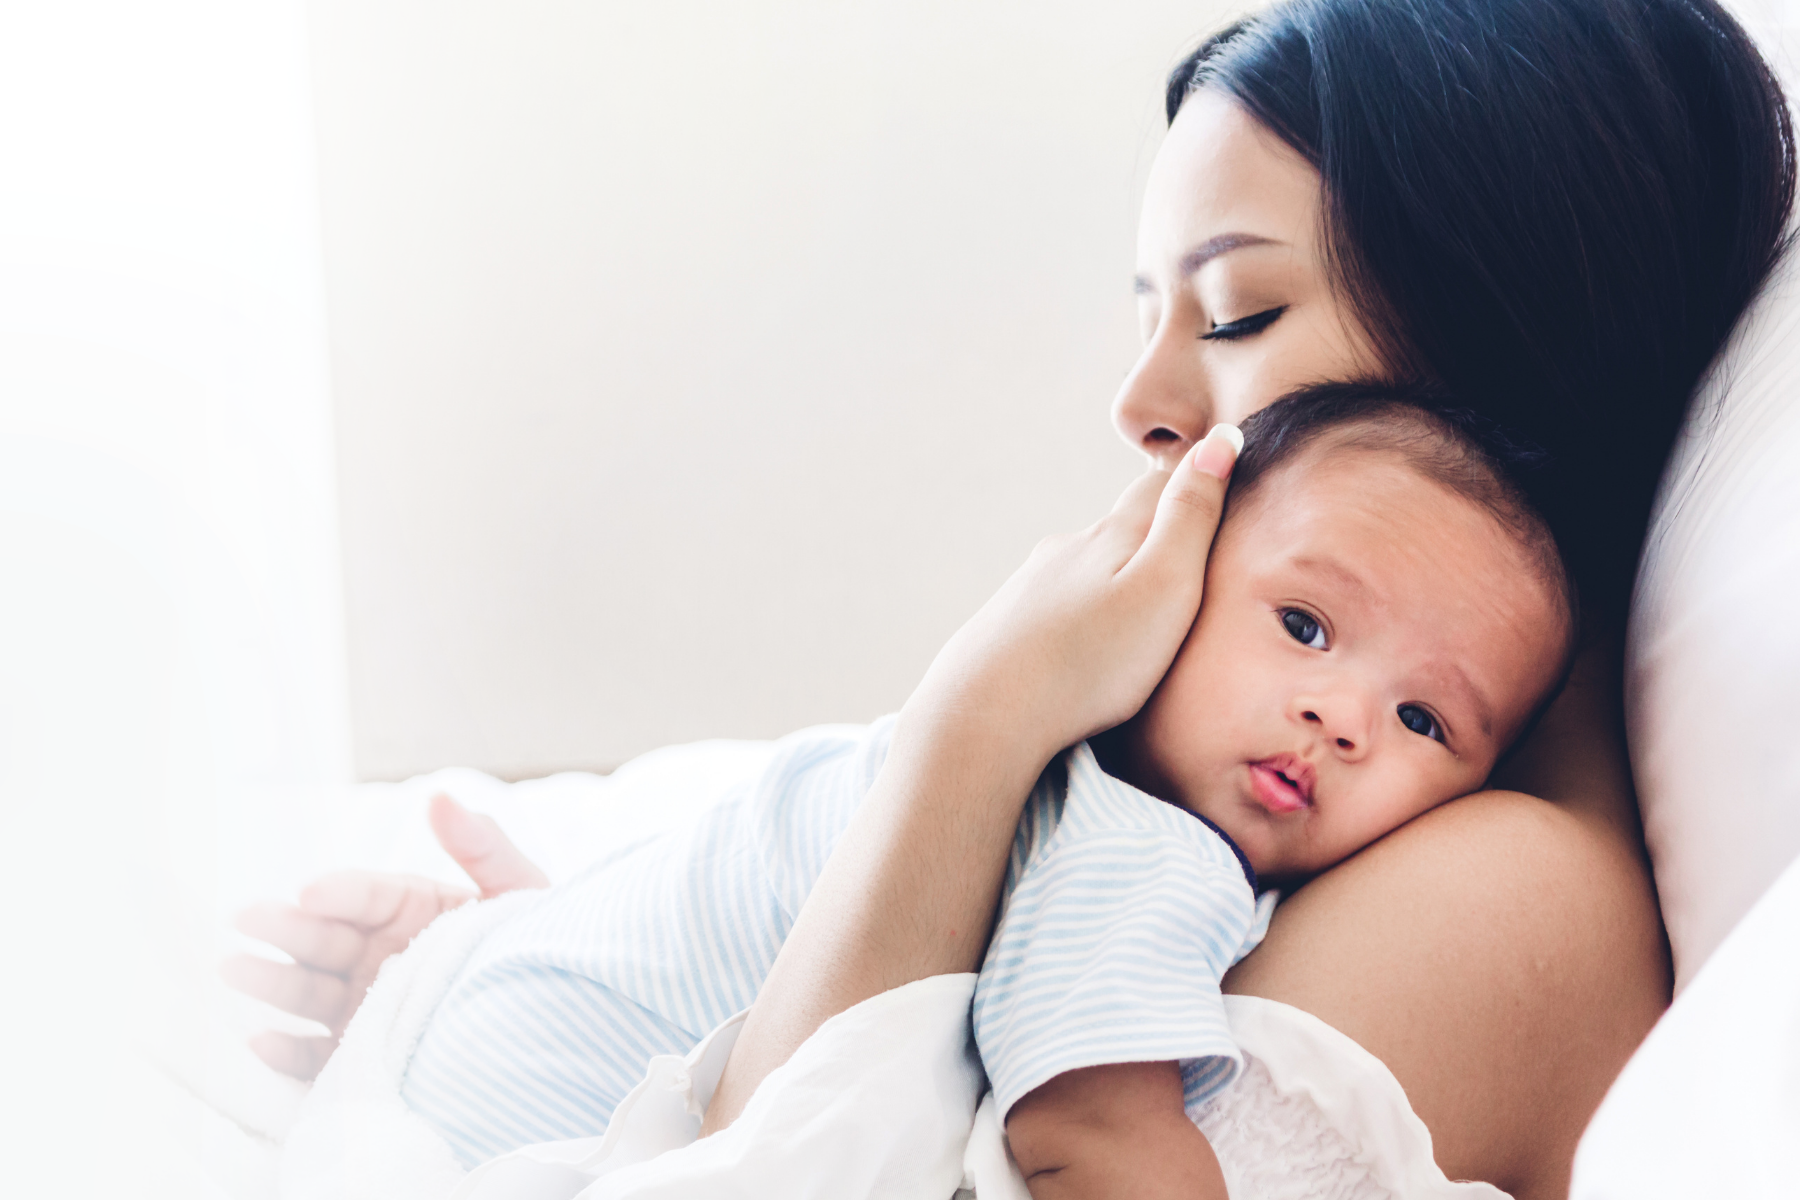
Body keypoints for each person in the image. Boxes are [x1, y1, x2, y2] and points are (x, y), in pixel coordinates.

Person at [226, 1, 1795, 1194]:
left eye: (1238, 308)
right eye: (1150, 312)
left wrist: (983, 717)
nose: (1142, 403)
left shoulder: (1503, 895)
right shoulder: (1285, 773)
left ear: (1507, 346)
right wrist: (575, 973)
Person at [377, 390, 1573, 1195]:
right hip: (524, 1124)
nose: (1343, 716)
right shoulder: (1152, 844)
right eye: (1303, 625)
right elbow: (1084, 1126)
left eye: (1424, 719)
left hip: (495, 1021)